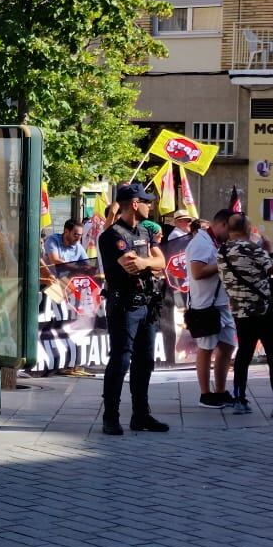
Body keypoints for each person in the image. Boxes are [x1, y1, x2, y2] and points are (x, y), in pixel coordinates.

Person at [96, 183, 170, 437]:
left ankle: (141, 415)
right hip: (125, 306)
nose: (151, 206)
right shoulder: (113, 235)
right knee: (120, 360)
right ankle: (111, 417)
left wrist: (146, 262)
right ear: (135, 204)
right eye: (147, 201)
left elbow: (161, 262)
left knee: (145, 361)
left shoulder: (146, 232)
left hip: (147, 305)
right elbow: (131, 266)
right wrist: (148, 263)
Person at [219, 212, 273, 419]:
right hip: (262, 310)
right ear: (247, 229)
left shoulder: (222, 251)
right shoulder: (252, 248)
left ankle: (239, 400)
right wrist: (271, 250)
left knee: (244, 354)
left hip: (240, 311)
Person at [186, 207, 238, 410]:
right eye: (231, 229)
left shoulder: (216, 243)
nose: (232, 235)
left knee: (227, 345)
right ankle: (205, 394)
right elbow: (198, 272)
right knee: (206, 349)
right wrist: (224, 264)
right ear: (222, 225)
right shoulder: (200, 243)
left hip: (220, 303)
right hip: (205, 304)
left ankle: (220, 391)